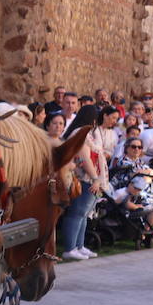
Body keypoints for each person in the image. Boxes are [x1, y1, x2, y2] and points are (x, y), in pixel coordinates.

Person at [59, 104, 107, 261]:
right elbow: (84, 158)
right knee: (77, 213)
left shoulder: (86, 133)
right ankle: (70, 247)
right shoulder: (80, 133)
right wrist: (95, 178)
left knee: (84, 214)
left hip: (92, 179)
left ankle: (79, 245)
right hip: (85, 179)